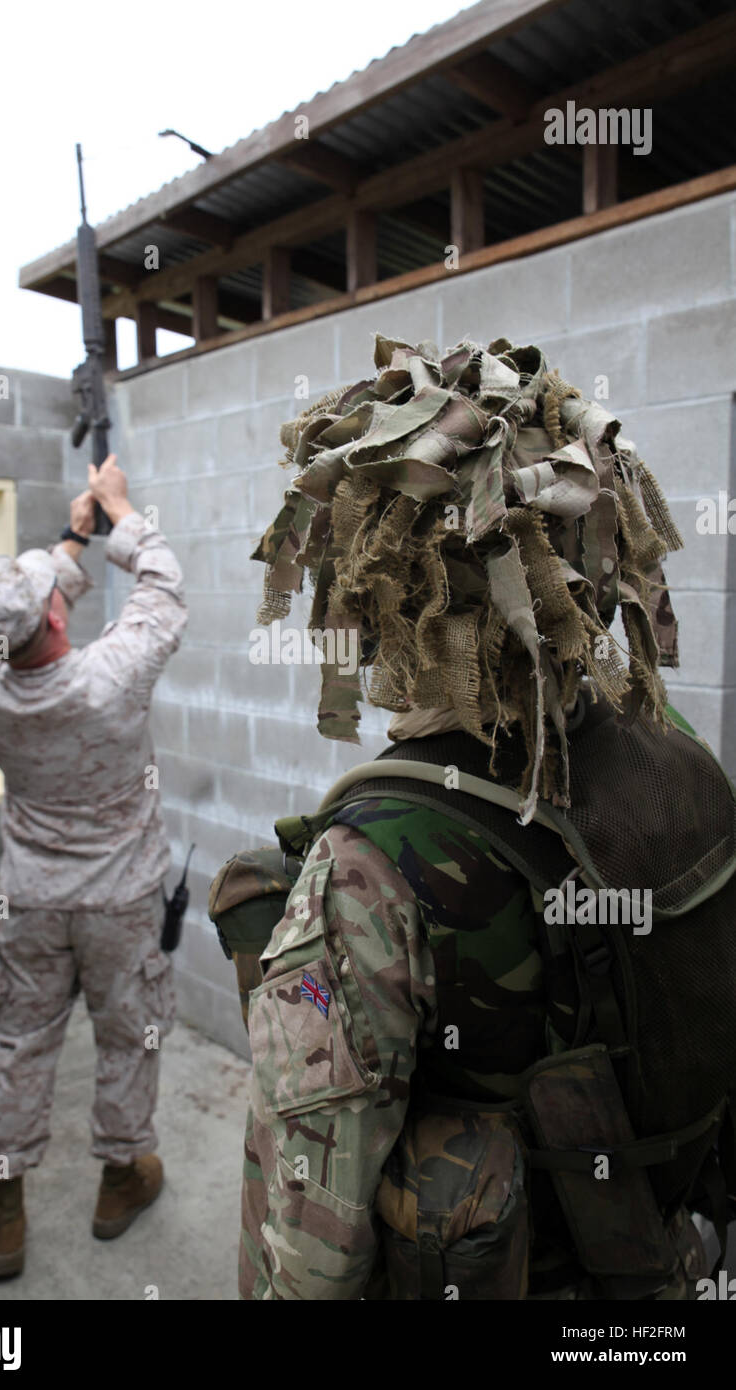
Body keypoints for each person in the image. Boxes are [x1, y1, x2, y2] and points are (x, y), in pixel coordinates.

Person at [230, 334, 736, 1300]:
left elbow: (310, 1244)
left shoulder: (368, 866)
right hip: (666, 1261)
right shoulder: (675, 746)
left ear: (377, 587)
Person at [0, 457, 187, 1279]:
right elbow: (163, 590)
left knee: (22, 1041)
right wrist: (123, 510)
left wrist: (71, 536)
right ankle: (121, 1178)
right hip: (119, 903)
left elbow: (25, 614)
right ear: (56, 620)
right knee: (129, 1037)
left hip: (30, 900)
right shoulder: (106, 681)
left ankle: (6, 1208)